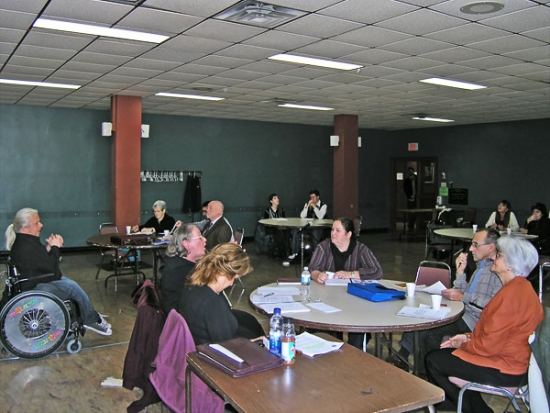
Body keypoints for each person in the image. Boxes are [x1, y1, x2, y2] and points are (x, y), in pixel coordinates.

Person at [425, 236, 544, 413]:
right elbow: (494, 333)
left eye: (500, 255)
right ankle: (468, 406)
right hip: (512, 361)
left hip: (505, 368)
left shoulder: (511, 295)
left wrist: (463, 343)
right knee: (443, 357)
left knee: (434, 360)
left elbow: (488, 346)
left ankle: (468, 408)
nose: (495, 257)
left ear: (510, 266)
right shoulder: (520, 288)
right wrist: (466, 336)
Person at [390, 228, 502, 374]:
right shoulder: (480, 267)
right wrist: (460, 273)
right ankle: (404, 358)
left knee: (429, 331)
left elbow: (494, 303)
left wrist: (463, 297)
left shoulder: (497, 271)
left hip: (475, 320)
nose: (471, 248)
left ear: (491, 247)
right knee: (420, 318)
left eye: (475, 245)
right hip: (464, 312)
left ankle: (426, 374)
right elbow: (464, 293)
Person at [4, 208, 112, 336]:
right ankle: (91, 319)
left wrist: (48, 249)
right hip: (35, 287)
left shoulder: (24, 242)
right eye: (36, 223)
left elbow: (39, 263)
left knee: (70, 285)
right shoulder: (27, 246)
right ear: (24, 228)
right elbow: (53, 272)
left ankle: (88, 314)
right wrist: (55, 247)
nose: (41, 225)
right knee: (72, 288)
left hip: (34, 281)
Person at [309, 217, 383, 349]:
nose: (333, 233)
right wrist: (317, 275)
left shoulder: (360, 249)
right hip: (328, 299)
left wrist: (351, 274)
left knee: (358, 328)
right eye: (332, 230)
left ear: (348, 234)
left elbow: (377, 271)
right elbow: (312, 269)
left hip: (354, 301)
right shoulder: (324, 247)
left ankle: (354, 354)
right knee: (326, 328)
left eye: (338, 230)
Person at [177, 243, 264, 345]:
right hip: (212, 353)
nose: (231, 284)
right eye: (234, 279)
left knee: (250, 322)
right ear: (225, 273)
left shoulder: (193, 284)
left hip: (200, 343)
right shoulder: (213, 303)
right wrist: (251, 344)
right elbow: (227, 346)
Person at [159, 223, 206, 314]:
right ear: (186, 244)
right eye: (200, 237)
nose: (205, 239)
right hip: (184, 320)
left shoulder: (181, 263)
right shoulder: (179, 271)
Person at [289, 189, 328, 260]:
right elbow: (302, 216)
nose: (312, 199)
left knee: (315, 234)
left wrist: (314, 207)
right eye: (311, 197)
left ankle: (316, 255)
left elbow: (320, 217)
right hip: (309, 227)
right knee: (296, 231)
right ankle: (295, 253)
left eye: (313, 197)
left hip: (318, 227)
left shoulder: (323, 205)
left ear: (318, 197)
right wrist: (307, 207)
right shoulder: (307, 204)